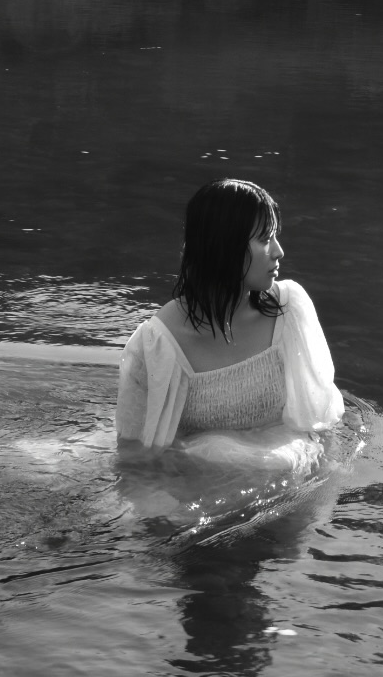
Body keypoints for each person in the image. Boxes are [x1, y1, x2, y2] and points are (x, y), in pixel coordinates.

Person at [116, 179, 343, 467]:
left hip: (285, 475)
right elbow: (134, 456)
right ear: (224, 246)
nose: (278, 251)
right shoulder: (157, 344)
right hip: (199, 484)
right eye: (265, 239)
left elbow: (322, 422)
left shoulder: (289, 311)